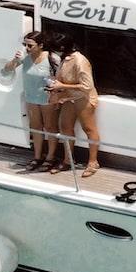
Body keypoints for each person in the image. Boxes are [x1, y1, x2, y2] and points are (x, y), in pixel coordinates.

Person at [1, 31, 62, 172]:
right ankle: (37, 157)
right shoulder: (25, 57)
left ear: (41, 45)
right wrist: (15, 60)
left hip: (48, 98)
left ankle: (50, 157)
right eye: (25, 45)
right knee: (35, 127)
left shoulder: (52, 58)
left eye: (30, 45)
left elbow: (62, 77)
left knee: (50, 127)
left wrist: (58, 95)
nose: (27, 48)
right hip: (31, 98)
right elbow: (5, 71)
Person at [46, 31, 102, 176]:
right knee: (65, 127)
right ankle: (68, 160)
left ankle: (93, 162)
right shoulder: (65, 59)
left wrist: (61, 86)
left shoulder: (79, 61)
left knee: (89, 129)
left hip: (84, 98)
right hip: (69, 98)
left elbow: (87, 86)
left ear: (62, 47)